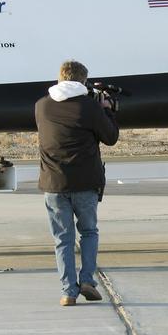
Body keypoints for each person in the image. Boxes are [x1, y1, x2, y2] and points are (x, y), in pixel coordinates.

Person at [35, 60, 119, 306]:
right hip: (85, 181)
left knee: (63, 238)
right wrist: (107, 110)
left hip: (53, 183)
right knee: (89, 232)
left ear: (60, 79)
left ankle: (68, 292)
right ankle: (87, 281)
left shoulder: (41, 106)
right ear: (83, 81)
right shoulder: (89, 108)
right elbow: (111, 137)